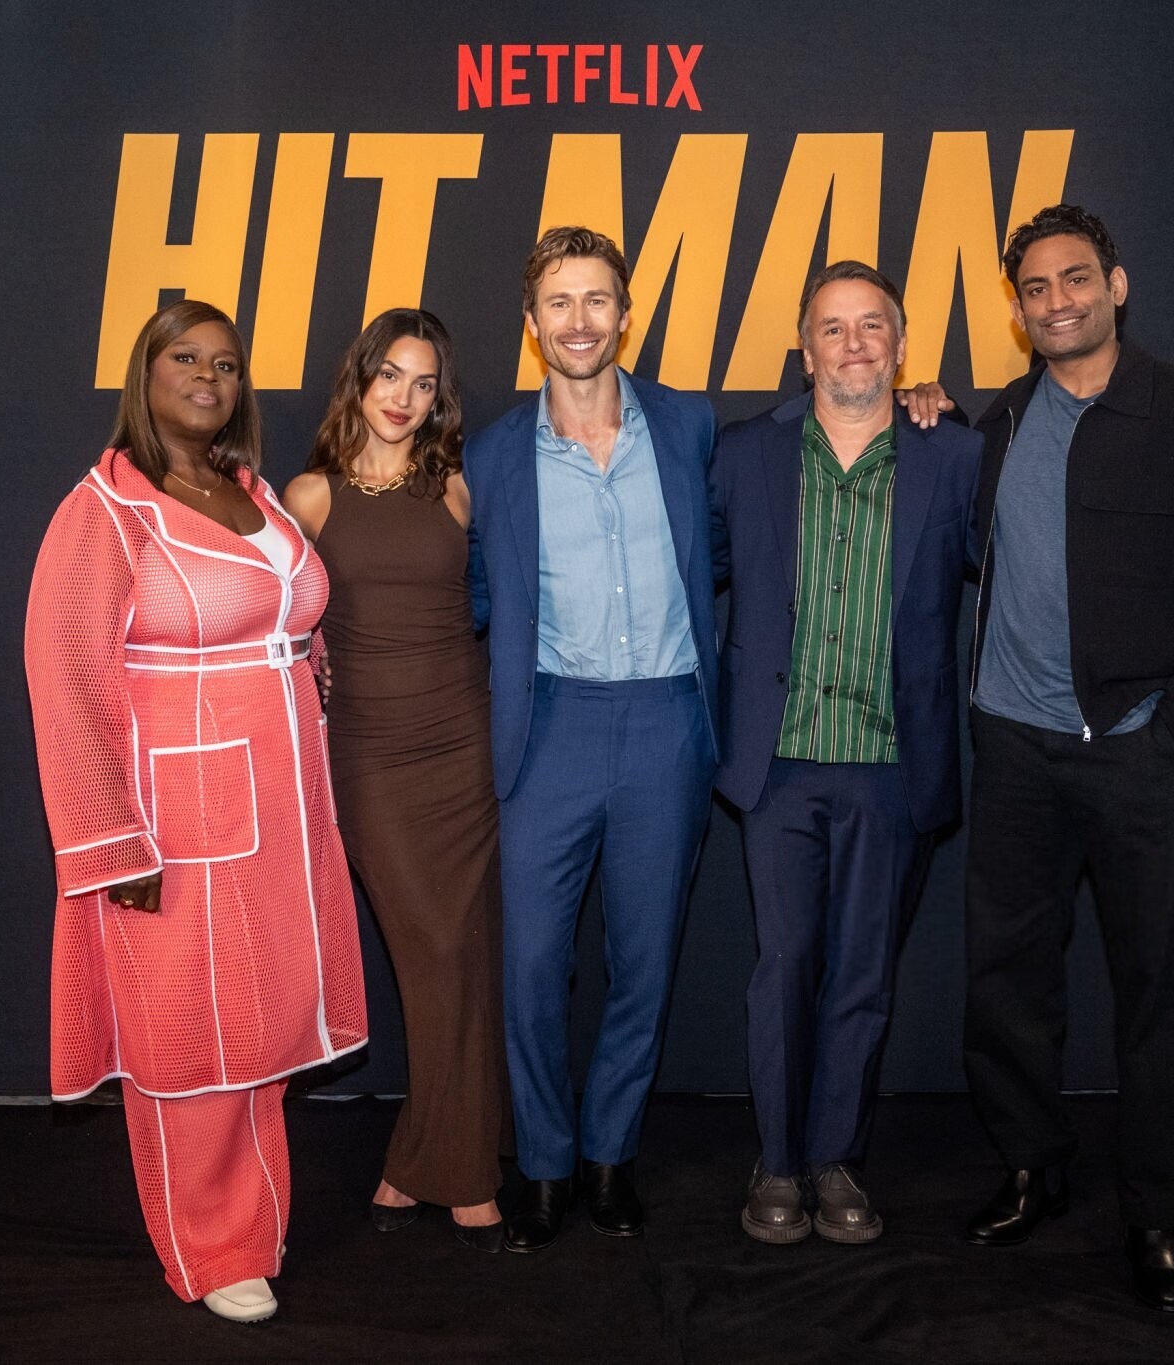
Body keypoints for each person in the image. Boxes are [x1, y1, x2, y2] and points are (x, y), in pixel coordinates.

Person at [24, 299, 366, 1323]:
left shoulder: (247, 489)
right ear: (145, 373)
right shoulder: (105, 509)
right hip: (179, 815)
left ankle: (251, 1220)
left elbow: (275, 610)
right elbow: (66, 677)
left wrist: (307, 659)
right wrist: (111, 840)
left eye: (225, 362)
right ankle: (213, 1247)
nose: (208, 376)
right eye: (185, 356)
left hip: (282, 804)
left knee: (255, 1025)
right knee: (195, 1034)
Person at [958, 205, 1174, 1313]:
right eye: (1036, 288)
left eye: (1075, 278)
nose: (1058, 301)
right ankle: (1030, 1165)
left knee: (1152, 993)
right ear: (1019, 308)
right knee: (1005, 980)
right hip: (1013, 749)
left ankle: (1155, 1213)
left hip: (1134, 751)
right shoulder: (999, 421)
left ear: (1116, 285)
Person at [709, 262, 982, 1245]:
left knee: (863, 973)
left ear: (901, 346)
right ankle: (777, 1159)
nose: (853, 343)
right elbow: (690, 574)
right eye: (832, 327)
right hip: (777, 761)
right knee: (783, 967)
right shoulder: (745, 453)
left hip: (892, 764)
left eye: (872, 326)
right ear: (804, 348)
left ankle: (833, 1157)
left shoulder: (953, 455)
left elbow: (1011, 566)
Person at [463, 226, 722, 1252]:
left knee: (643, 962)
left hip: (667, 721)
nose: (580, 321)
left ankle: (610, 1155)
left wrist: (918, 398)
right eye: (559, 303)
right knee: (531, 967)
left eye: (597, 299)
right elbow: (471, 594)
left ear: (626, 314)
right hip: (550, 727)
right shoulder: (490, 455)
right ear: (532, 325)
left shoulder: (689, 424)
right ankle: (542, 1164)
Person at [282, 308, 507, 1254]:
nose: (404, 398)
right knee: (433, 952)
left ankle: (437, 1164)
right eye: (389, 376)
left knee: (470, 954)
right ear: (360, 378)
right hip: (371, 754)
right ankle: (448, 1162)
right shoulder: (309, 495)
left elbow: (498, 599)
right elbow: (272, 620)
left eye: (423, 383)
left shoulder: (456, 487)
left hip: (465, 744)